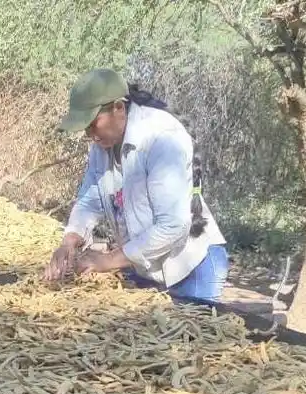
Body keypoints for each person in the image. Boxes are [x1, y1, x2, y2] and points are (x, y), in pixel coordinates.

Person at [44, 68, 228, 303]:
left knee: (186, 335)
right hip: (145, 266)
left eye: (93, 123)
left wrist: (108, 260)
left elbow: (173, 225)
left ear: (118, 108)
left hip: (189, 266)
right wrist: (69, 241)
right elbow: (90, 200)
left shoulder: (161, 137)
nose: (90, 134)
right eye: (85, 127)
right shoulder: (101, 147)